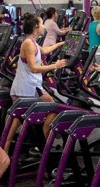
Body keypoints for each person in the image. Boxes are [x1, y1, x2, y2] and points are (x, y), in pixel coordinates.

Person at [4, 14, 68, 150]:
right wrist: (55, 66)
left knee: (16, 121)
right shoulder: (28, 43)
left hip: (26, 87)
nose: (44, 26)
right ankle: (41, 146)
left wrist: (60, 44)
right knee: (55, 108)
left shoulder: (31, 42)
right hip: (28, 89)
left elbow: (44, 50)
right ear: (36, 27)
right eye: (42, 24)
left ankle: (5, 150)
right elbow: (33, 68)